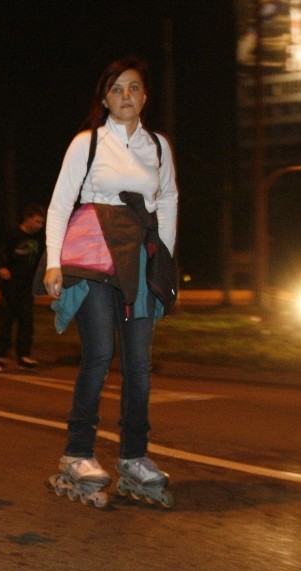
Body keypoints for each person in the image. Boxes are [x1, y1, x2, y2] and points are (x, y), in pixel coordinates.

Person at [41, 55, 178, 508]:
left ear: (145, 96)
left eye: (134, 88)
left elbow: (168, 202)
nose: (125, 96)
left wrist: (166, 263)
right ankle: (78, 453)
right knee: (99, 354)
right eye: (117, 89)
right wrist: (54, 263)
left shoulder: (158, 146)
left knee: (138, 363)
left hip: (137, 258)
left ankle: (135, 456)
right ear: (105, 98)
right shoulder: (89, 143)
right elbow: (61, 203)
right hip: (92, 255)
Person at [0, 203, 46, 372]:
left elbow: (40, 260)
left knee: (27, 322)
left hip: (27, 287)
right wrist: (2, 267)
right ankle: (0, 357)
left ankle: (23, 356)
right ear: (28, 219)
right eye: (37, 222)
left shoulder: (39, 239)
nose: (40, 226)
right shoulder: (13, 235)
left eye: (41, 223)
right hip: (10, 287)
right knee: (7, 322)